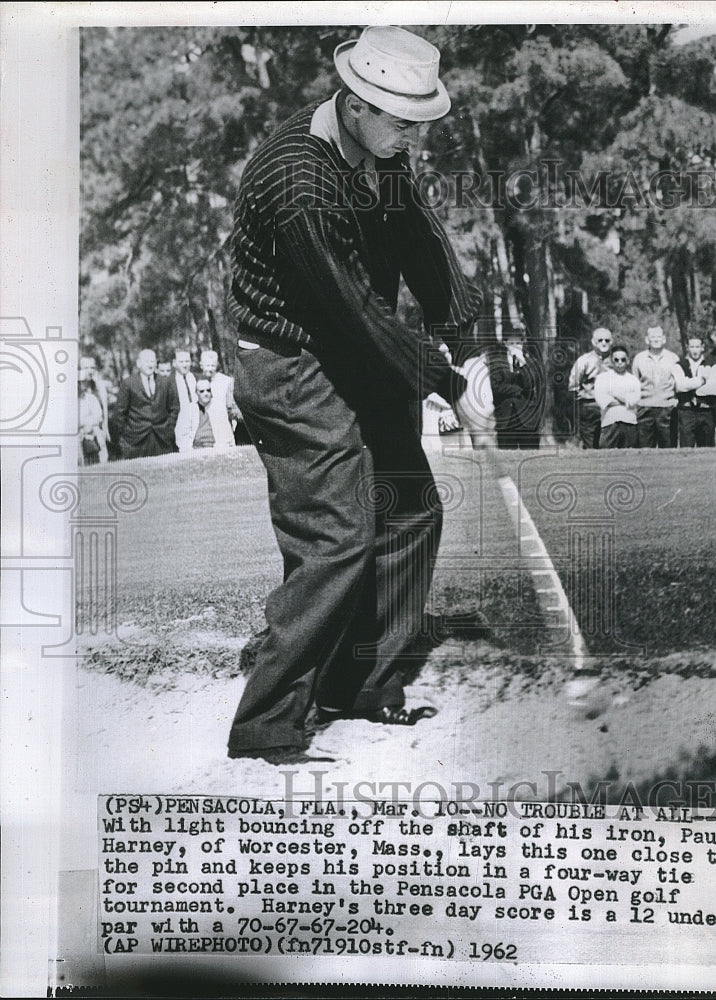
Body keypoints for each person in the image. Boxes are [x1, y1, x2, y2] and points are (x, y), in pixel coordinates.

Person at [226, 25, 479, 762]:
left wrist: (471, 350)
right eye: (404, 121)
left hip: (355, 348)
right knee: (335, 539)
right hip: (291, 364)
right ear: (359, 103)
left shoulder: (381, 155)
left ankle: (356, 686)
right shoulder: (296, 179)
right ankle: (266, 726)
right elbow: (352, 312)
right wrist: (445, 381)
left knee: (409, 510)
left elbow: (424, 251)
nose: (413, 137)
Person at [110, 348, 180, 458]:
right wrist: (127, 435)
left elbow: (174, 407)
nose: (150, 365)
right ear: (138, 363)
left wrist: (169, 427)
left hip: (162, 439)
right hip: (136, 442)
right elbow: (119, 414)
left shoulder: (165, 382)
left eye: (152, 361)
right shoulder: (128, 383)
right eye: (147, 361)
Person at [487, 330, 540, 449]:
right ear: (506, 344)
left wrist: (523, 364)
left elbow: (530, 386)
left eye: (519, 343)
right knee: (506, 457)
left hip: (527, 418)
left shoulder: (530, 363)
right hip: (506, 418)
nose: (516, 346)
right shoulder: (497, 363)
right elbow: (496, 387)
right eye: (512, 343)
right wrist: (518, 390)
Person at [631, 325, 679, 448]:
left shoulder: (673, 358)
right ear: (647, 340)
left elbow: (678, 383)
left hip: (667, 409)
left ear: (664, 339)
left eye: (659, 336)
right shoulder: (639, 359)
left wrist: (674, 402)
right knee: (645, 449)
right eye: (653, 337)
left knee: (668, 449)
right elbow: (634, 385)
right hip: (645, 409)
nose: (656, 339)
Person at [568, 328, 613, 448]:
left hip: (610, 407)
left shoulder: (617, 360)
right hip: (589, 406)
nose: (604, 343)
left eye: (607, 340)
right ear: (593, 342)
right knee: (590, 445)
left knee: (608, 445)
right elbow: (573, 385)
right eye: (600, 340)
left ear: (612, 342)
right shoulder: (584, 360)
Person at [672, 336, 716, 447]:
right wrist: (702, 380)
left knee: (707, 449)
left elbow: (714, 388)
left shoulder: (712, 364)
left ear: (702, 348)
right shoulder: (679, 365)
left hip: (706, 410)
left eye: (697, 346)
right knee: (686, 448)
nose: (695, 350)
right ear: (687, 348)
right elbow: (680, 386)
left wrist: (690, 385)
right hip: (686, 411)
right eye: (692, 347)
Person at [594, 345, 641, 448]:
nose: (620, 363)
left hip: (629, 422)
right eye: (616, 360)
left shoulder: (633, 380)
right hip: (609, 422)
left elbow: (635, 400)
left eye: (623, 360)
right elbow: (601, 398)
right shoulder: (602, 378)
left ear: (628, 361)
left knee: (630, 457)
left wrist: (614, 395)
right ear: (611, 361)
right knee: (607, 456)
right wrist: (625, 400)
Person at [175, 377, 236, 453]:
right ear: (196, 393)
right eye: (202, 391)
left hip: (215, 449)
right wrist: (189, 450)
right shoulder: (188, 410)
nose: (206, 393)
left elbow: (227, 434)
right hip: (194, 450)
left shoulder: (219, 410)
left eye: (208, 390)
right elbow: (181, 434)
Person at [78, 367, 107, 465]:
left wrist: (88, 424)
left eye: (83, 382)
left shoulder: (91, 398)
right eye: (79, 382)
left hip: (93, 435)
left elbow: (98, 416)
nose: (81, 385)